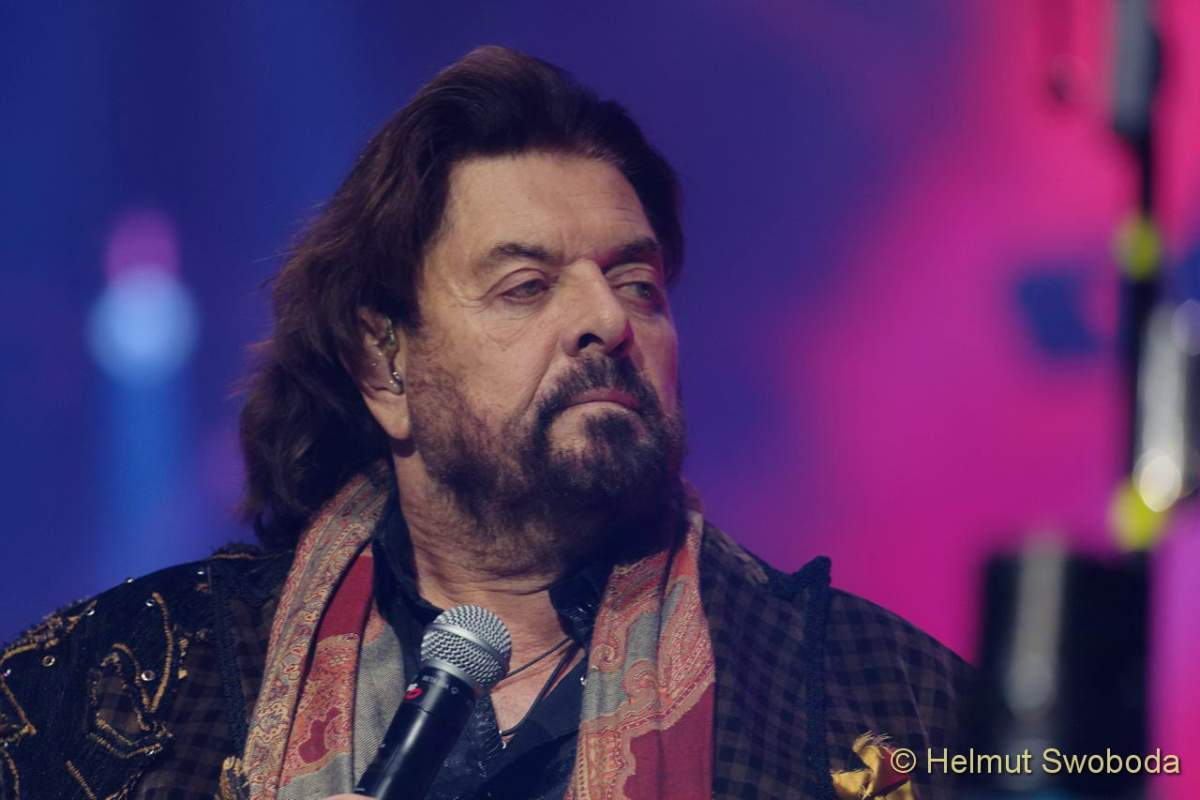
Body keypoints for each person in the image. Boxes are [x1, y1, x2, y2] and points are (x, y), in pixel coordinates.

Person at [0, 46, 971, 800]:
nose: (607, 318)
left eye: (637, 281)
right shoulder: (123, 687)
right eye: (527, 285)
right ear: (384, 363)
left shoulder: (891, 702)